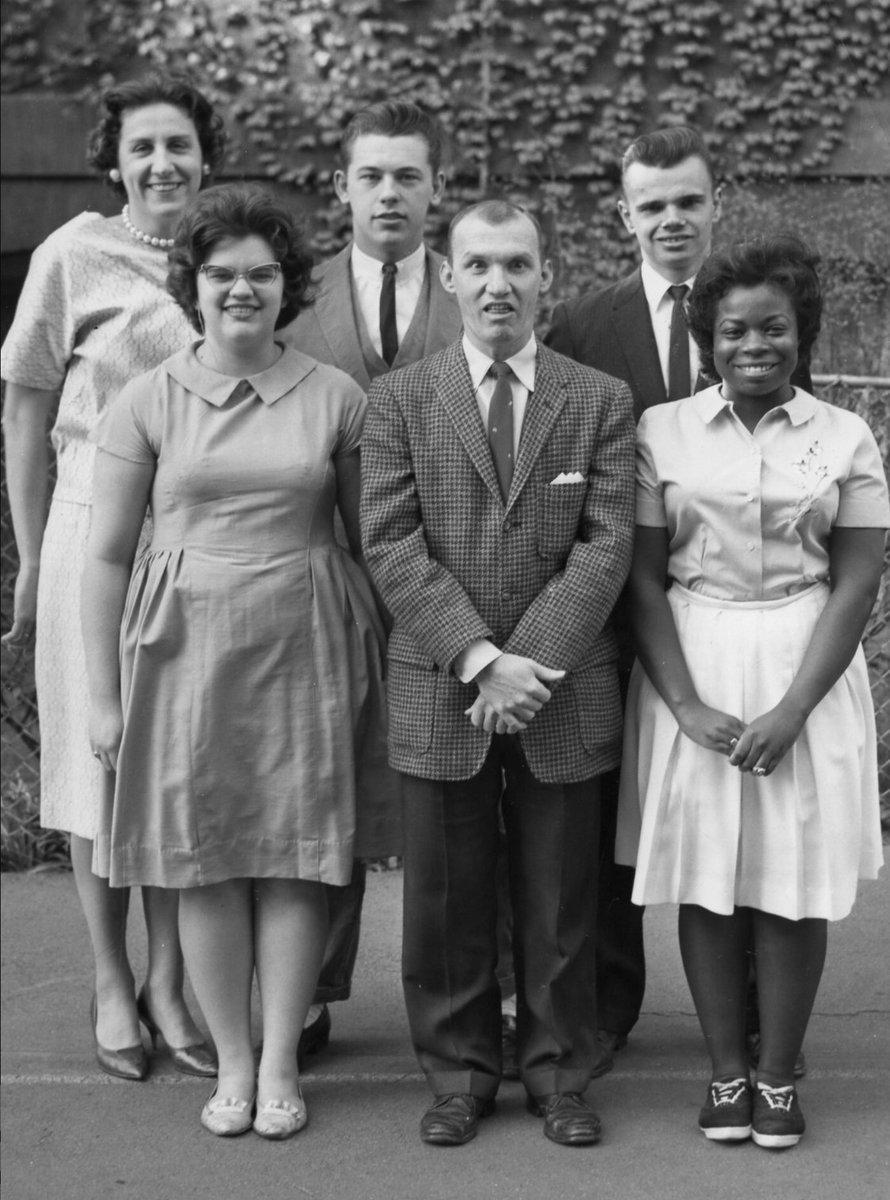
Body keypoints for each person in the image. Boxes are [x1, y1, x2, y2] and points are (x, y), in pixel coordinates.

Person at [81, 182, 390, 1139]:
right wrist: (101, 697)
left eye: (261, 274)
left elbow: (371, 539)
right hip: (182, 656)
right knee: (204, 864)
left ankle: (286, 1058)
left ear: (287, 284)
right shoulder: (147, 398)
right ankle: (235, 1062)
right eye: (222, 274)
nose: (241, 290)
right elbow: (103, 555)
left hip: (307, 646)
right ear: (194, 284)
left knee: (296, 863)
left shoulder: (336, 395)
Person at [361, 199, 635, 1147]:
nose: (497, 284)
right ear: (447, 275)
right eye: (477, 265)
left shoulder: (598, 399)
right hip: (444, 687)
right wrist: (481, 661)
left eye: (517, 264)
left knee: (562, 898)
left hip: (562, 691)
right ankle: (460, 1072)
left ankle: (560, 1072)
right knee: (444, 901)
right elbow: (391, 545)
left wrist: (531, 665)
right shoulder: (397, 401)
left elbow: (605, 548)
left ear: (545, 274)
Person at [545, 126, 812, 1070]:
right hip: (611, 614)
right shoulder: (583, 322)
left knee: (743, 816)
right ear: (625, 215)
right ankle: (611, 1006)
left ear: (715, 204)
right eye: (651, 204)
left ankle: (752, 1019)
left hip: (737, 618)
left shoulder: (763, 315)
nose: (670, 219)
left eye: (687, 201)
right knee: (612, 821)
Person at [615, 234, 888, 1149]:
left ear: (800, 333)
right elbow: (644, 579)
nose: (754, 345)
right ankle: (725, 1071)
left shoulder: (846, 436)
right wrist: (687, 705)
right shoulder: (664, 432)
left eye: (773, 326)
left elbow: (856, 583)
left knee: (791, 879)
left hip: (804, 660)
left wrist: (792, 709)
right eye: (734, 330)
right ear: (710, 338)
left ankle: (778, 1080)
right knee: (708, 875)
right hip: (695, 655)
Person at [1, 72, 227, 1082]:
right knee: (93, 764)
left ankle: (170, 979)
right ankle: (107, 977)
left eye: (178, 144)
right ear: (113, 161)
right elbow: (23, 410)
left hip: (197, 531)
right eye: (142, 147)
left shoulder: (225, 257)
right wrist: (29, 550)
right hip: (91, 524)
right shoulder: (69, 256)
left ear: (205, 157)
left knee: (174, 769)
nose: (161, 163)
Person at [281, 99, 462, 1062]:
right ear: (343, 186)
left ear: (437, 188)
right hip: (330, 587)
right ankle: (306, 993)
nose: (389, 192)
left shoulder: (479, 287)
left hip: (457, 592)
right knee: (328, 794)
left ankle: (483, 1001)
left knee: (466, 806)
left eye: (408, 176)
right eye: (372, 175)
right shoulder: (294, 300)